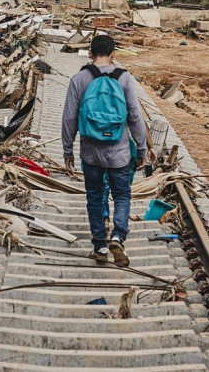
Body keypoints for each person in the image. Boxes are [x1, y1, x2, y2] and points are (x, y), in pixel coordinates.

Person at [62, 35, 147, 267]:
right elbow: (136, 117)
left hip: (91, 153)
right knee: (121, 195)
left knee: (94, 196)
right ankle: (118, 236)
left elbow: (69, 118)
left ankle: (99, 246)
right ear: (113, 55)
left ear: (90, 53)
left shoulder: (79, 79)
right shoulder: (125, 79)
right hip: (119, 153)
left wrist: (67, 150)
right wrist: (142, 149)